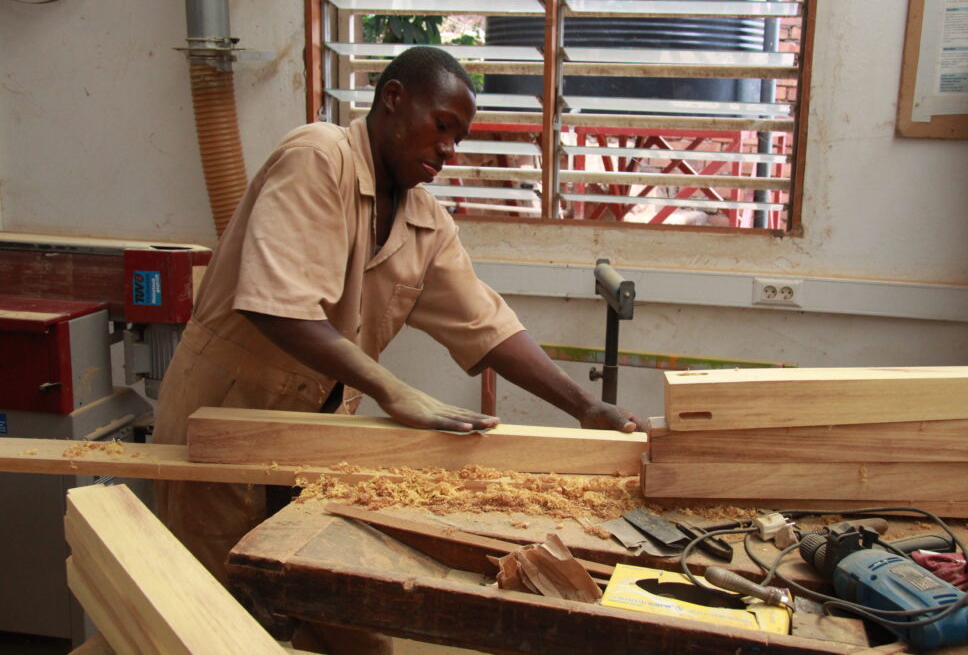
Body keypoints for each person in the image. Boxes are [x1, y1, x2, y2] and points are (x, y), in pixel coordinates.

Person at [152, 46, 639, 647]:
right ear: (393, 99)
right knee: (217, 622)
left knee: (349, 626)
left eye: (459, 138)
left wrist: (582, 406)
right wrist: (392, 389)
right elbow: (275, 306)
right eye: (441, 126)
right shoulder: (318, 158)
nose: (448, 150)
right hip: (225, 425)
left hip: (321, 446)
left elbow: (487, 325)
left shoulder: (425, 221)